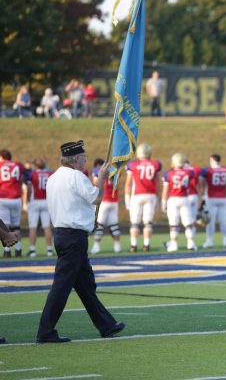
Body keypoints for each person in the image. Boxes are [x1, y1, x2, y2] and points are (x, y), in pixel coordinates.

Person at [36, 140, 125, 343]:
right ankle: (45, 330)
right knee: (62, 286)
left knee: (86, 285)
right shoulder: (76, 176)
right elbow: (96, 198)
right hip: (73, 237)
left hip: (63, 234)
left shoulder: (54, 177)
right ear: (76, 159)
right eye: (83, 157)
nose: (85, 160)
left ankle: (106, 325)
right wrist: (101, 178)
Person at [125, 143, 162, 252]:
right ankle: (146, 245)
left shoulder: (133, 165)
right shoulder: (155, 164)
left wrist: (127, 199)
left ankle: (134, 245)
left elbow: (128, 184)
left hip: (137, 195)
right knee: (148, 222)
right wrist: (158, 197)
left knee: (135, 222)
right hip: (151, 195)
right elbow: (157, 183)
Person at [162, 153, 197, 252]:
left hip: (173, 199)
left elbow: (165, 190)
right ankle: (191, 244)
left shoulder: (168, 174)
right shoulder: (189, 172)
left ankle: (174, 244)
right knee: (188, 223)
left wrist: (163, 203)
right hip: (184, 199)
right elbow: (191, 173)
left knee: (174, 224)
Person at [199, 154, 226, 248]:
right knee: (223, 220)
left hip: (211, 197)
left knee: (210, 220)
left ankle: (209, 241)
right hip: (222, 197)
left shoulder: (208, 170)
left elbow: (201, 179)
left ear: (212, 160)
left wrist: (202, 190)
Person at [24, 158, 53, 257]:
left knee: (33, 227)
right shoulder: (49, 174)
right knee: (47, 226)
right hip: (46, 201)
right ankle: (49, 250)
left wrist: (28, 199)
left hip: (35, 201)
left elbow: (29, 189)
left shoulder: (32, 174)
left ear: (36, 166)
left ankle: (32, 250)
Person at [91, 159, 121, 254]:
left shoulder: (97, 172)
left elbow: (95, 185)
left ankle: (96, 246)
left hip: (103, 201)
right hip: (114, 201)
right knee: (114, 225)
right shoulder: (114, 172)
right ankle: (117, 246)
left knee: (99, 224)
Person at [0, 149, 25, 257]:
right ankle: (18, 249)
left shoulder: (1, 165)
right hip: (16, 198)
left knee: (5, 226)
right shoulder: (18, 164)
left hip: (3, 197)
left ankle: (7, 251)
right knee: (16, 226)